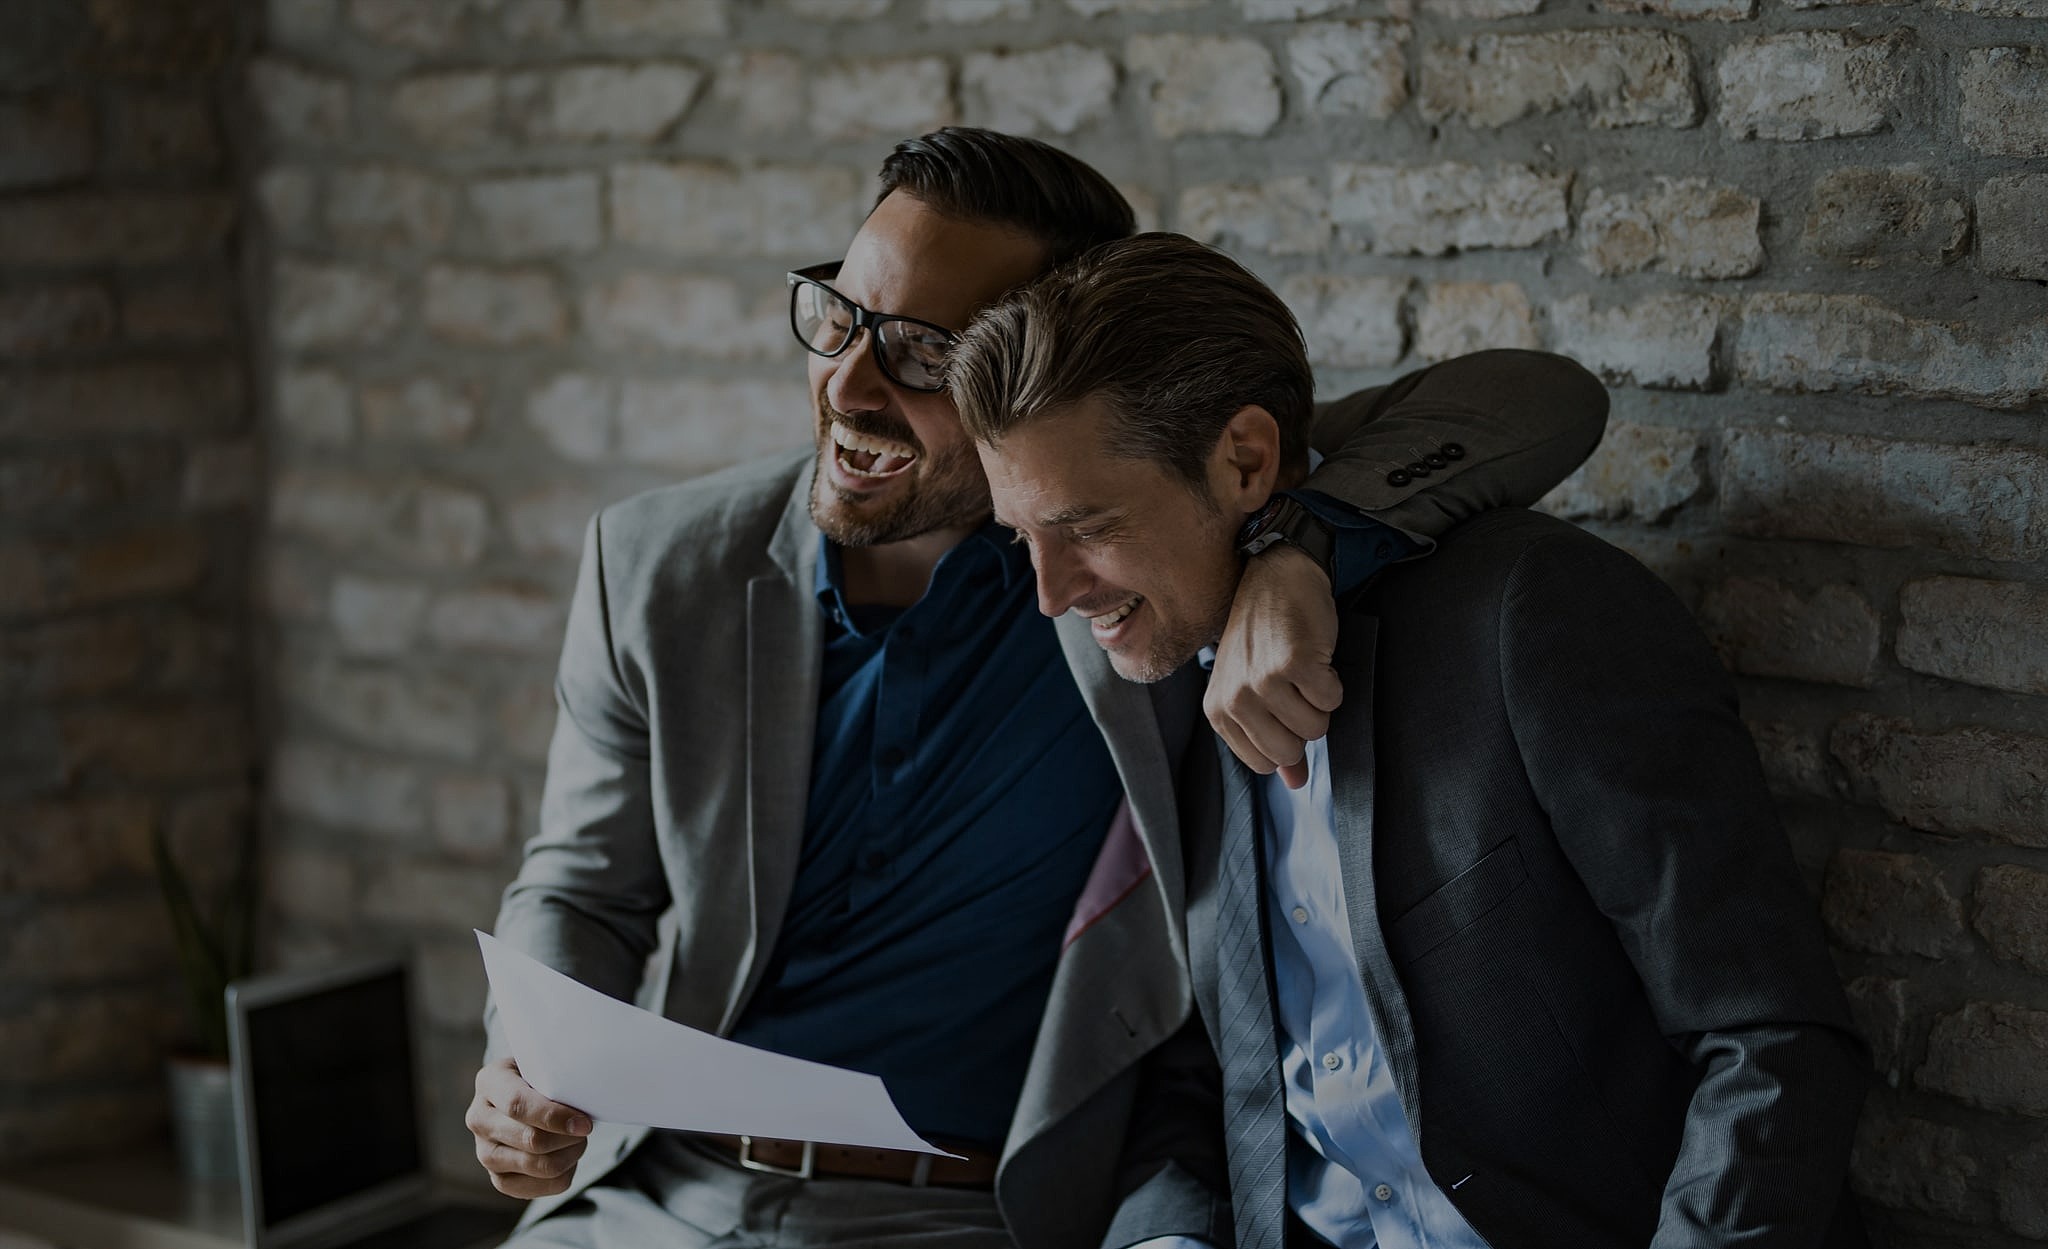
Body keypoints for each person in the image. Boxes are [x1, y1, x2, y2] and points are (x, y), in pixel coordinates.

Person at [467, 130, 1610, 1249]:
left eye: (923, 353)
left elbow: (1536, 397)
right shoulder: (659, 562)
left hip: (960, 1211)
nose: (848, 387)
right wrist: (528, 1062)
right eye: (838, 316)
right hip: (650, 1188)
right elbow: (583, 885)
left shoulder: (1116, 573)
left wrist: (1303, 549)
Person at [951, 232, 1870, 1249]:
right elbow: (1212, 1073)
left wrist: (1302, 544)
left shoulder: (1527, 618)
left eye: (1085, 525)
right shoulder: (1155, 675)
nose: (1049, 593)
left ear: (1245, 459)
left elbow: (1766, 1039)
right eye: (1020, 535)